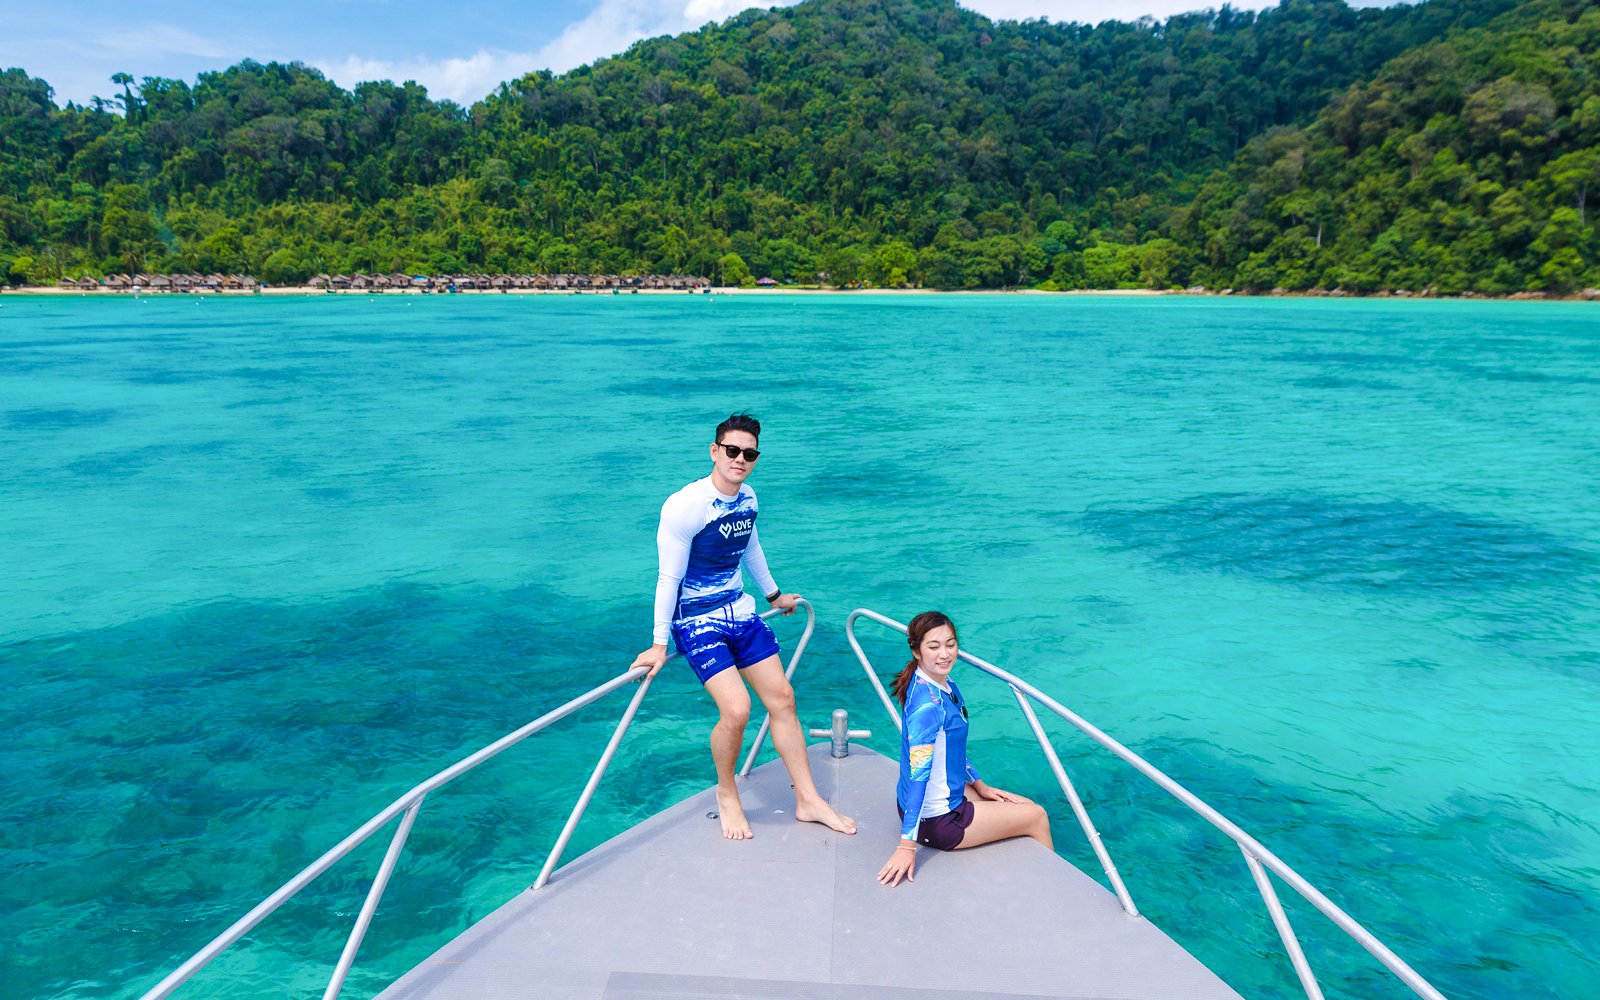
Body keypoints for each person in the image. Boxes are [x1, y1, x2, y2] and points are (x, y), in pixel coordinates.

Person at [631, 413, 856, 841]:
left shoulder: (748, 498)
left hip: (739, 611)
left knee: (783, 698)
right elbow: (668, 579)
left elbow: (750, 547)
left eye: (748, 454)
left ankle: (808, 799)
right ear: (714, 451)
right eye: (731, 451)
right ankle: (727, 791)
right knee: (736, 709)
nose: (740, 459)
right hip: (697, 621)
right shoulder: (685, 507)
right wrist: (660, 643)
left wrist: (773, 596)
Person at [877, 611, 1052, 886]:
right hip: (938, 821)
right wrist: (906, 847)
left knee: (1021, 805)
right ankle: (1050, 891)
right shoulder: (928, 707)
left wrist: (980, 785)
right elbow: (918, 776)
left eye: (950, 644)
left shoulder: (937, 683)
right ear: (916, 650)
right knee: (1037, 816)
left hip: (934, 802)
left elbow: (952, 747)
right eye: (933, 647)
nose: (944, 654)